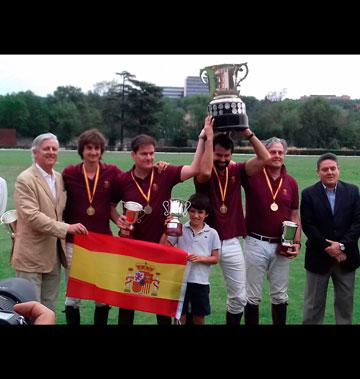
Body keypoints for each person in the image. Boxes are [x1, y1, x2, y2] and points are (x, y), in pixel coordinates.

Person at [114, 116, 214, 325]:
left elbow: (194, 169)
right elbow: (108, 205)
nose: (149, 158)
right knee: (128, 299)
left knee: (162, 301)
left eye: (151, 153)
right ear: (133, 155)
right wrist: (119, 220)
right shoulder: (123, 180)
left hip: (162, 246)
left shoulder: (163, 172)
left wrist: (202, 139)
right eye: (144, 154)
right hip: (133, 248)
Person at [195, 128, 271, 325]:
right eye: (218, 155)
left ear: (232, 155)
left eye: (226, 155)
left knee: (239, 297)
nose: (222, 159)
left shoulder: (237, 170)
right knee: (193, 292)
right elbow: (204, 171)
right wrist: (208, 138)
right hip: (203, 240)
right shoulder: (204, 169)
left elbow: (265, 158)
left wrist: (248, 133)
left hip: (230, 240)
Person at [11, 133, 88, 312]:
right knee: (30, 310)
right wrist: (67, 228)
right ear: (35, 152)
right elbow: (32, 217)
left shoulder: (59, 178)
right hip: (30, 257)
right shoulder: (25, 179)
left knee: (49, 308)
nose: (51, 152)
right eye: (46, 148)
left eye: (54, 149)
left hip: (53, 255)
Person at [62, 129, 123, 325]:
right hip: (74, 242)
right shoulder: (69, 173)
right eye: (89, 148)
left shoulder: (111, 172)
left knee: (101, 294)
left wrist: (157, 168)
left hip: (103, 242)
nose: (93, 152)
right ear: (82, 150)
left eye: (97, 148)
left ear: (102, 150)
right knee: (73, 295)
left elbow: (132, 182)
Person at [242, 137, 301, 325]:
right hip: (255, 242)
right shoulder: (253, 176)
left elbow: (294, 216)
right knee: (252, 295)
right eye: (272, 152)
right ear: (266, 153)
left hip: (281, 244)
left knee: (280, 294)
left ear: (285, 155)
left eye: (280, 152)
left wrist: (296, 242)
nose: (277, 156)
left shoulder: (291, 182)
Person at [301, 153, 360, 324]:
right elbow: (308, 225)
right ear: (318, 172)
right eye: (325, 169)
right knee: (313, 308)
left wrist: (341, 246)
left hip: (346, 258)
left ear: (338, 170)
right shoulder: (309, 194)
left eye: (333, 168)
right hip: (318, 258)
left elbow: (357, 223)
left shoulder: (352, 191)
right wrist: (330, 249)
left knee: (345, 308)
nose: (330, 172)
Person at [160, 193, 221, 325]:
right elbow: (164, 248)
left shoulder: (212, 233)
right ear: (187, 211)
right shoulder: (180, 228)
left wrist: (200, 258)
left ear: (207, 214)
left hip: (200, 282)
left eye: (200, 212)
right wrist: (166, 230)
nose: (195, 215)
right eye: (192, 211)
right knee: (179, 317)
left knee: (198, 318)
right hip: (180, 281)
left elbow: (216, 259)